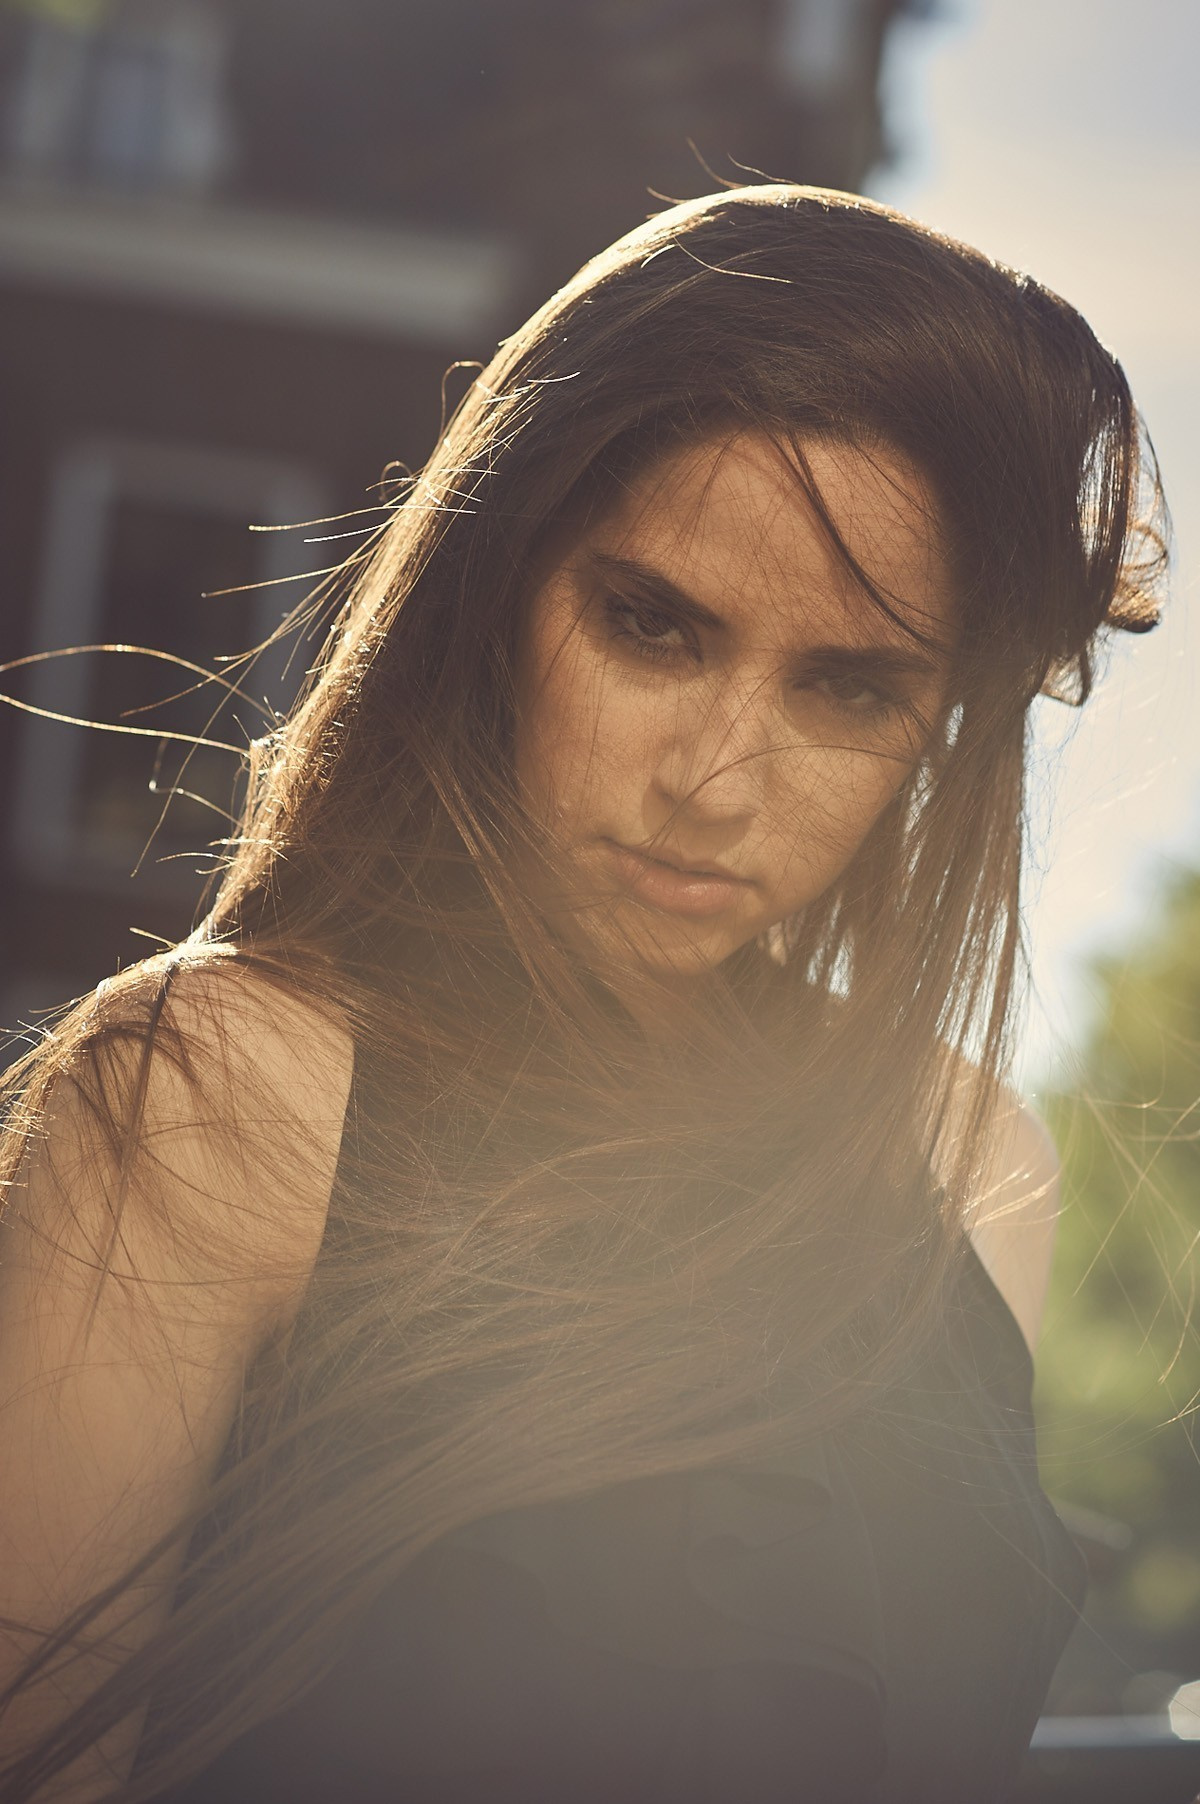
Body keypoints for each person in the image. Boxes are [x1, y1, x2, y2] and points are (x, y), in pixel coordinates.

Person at [0, 184, 1167, 1803]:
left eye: (849, 686)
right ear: (501, 588)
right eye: (653, 627)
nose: (716, 782)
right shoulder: (216, 1088)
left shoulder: (970, 1162)